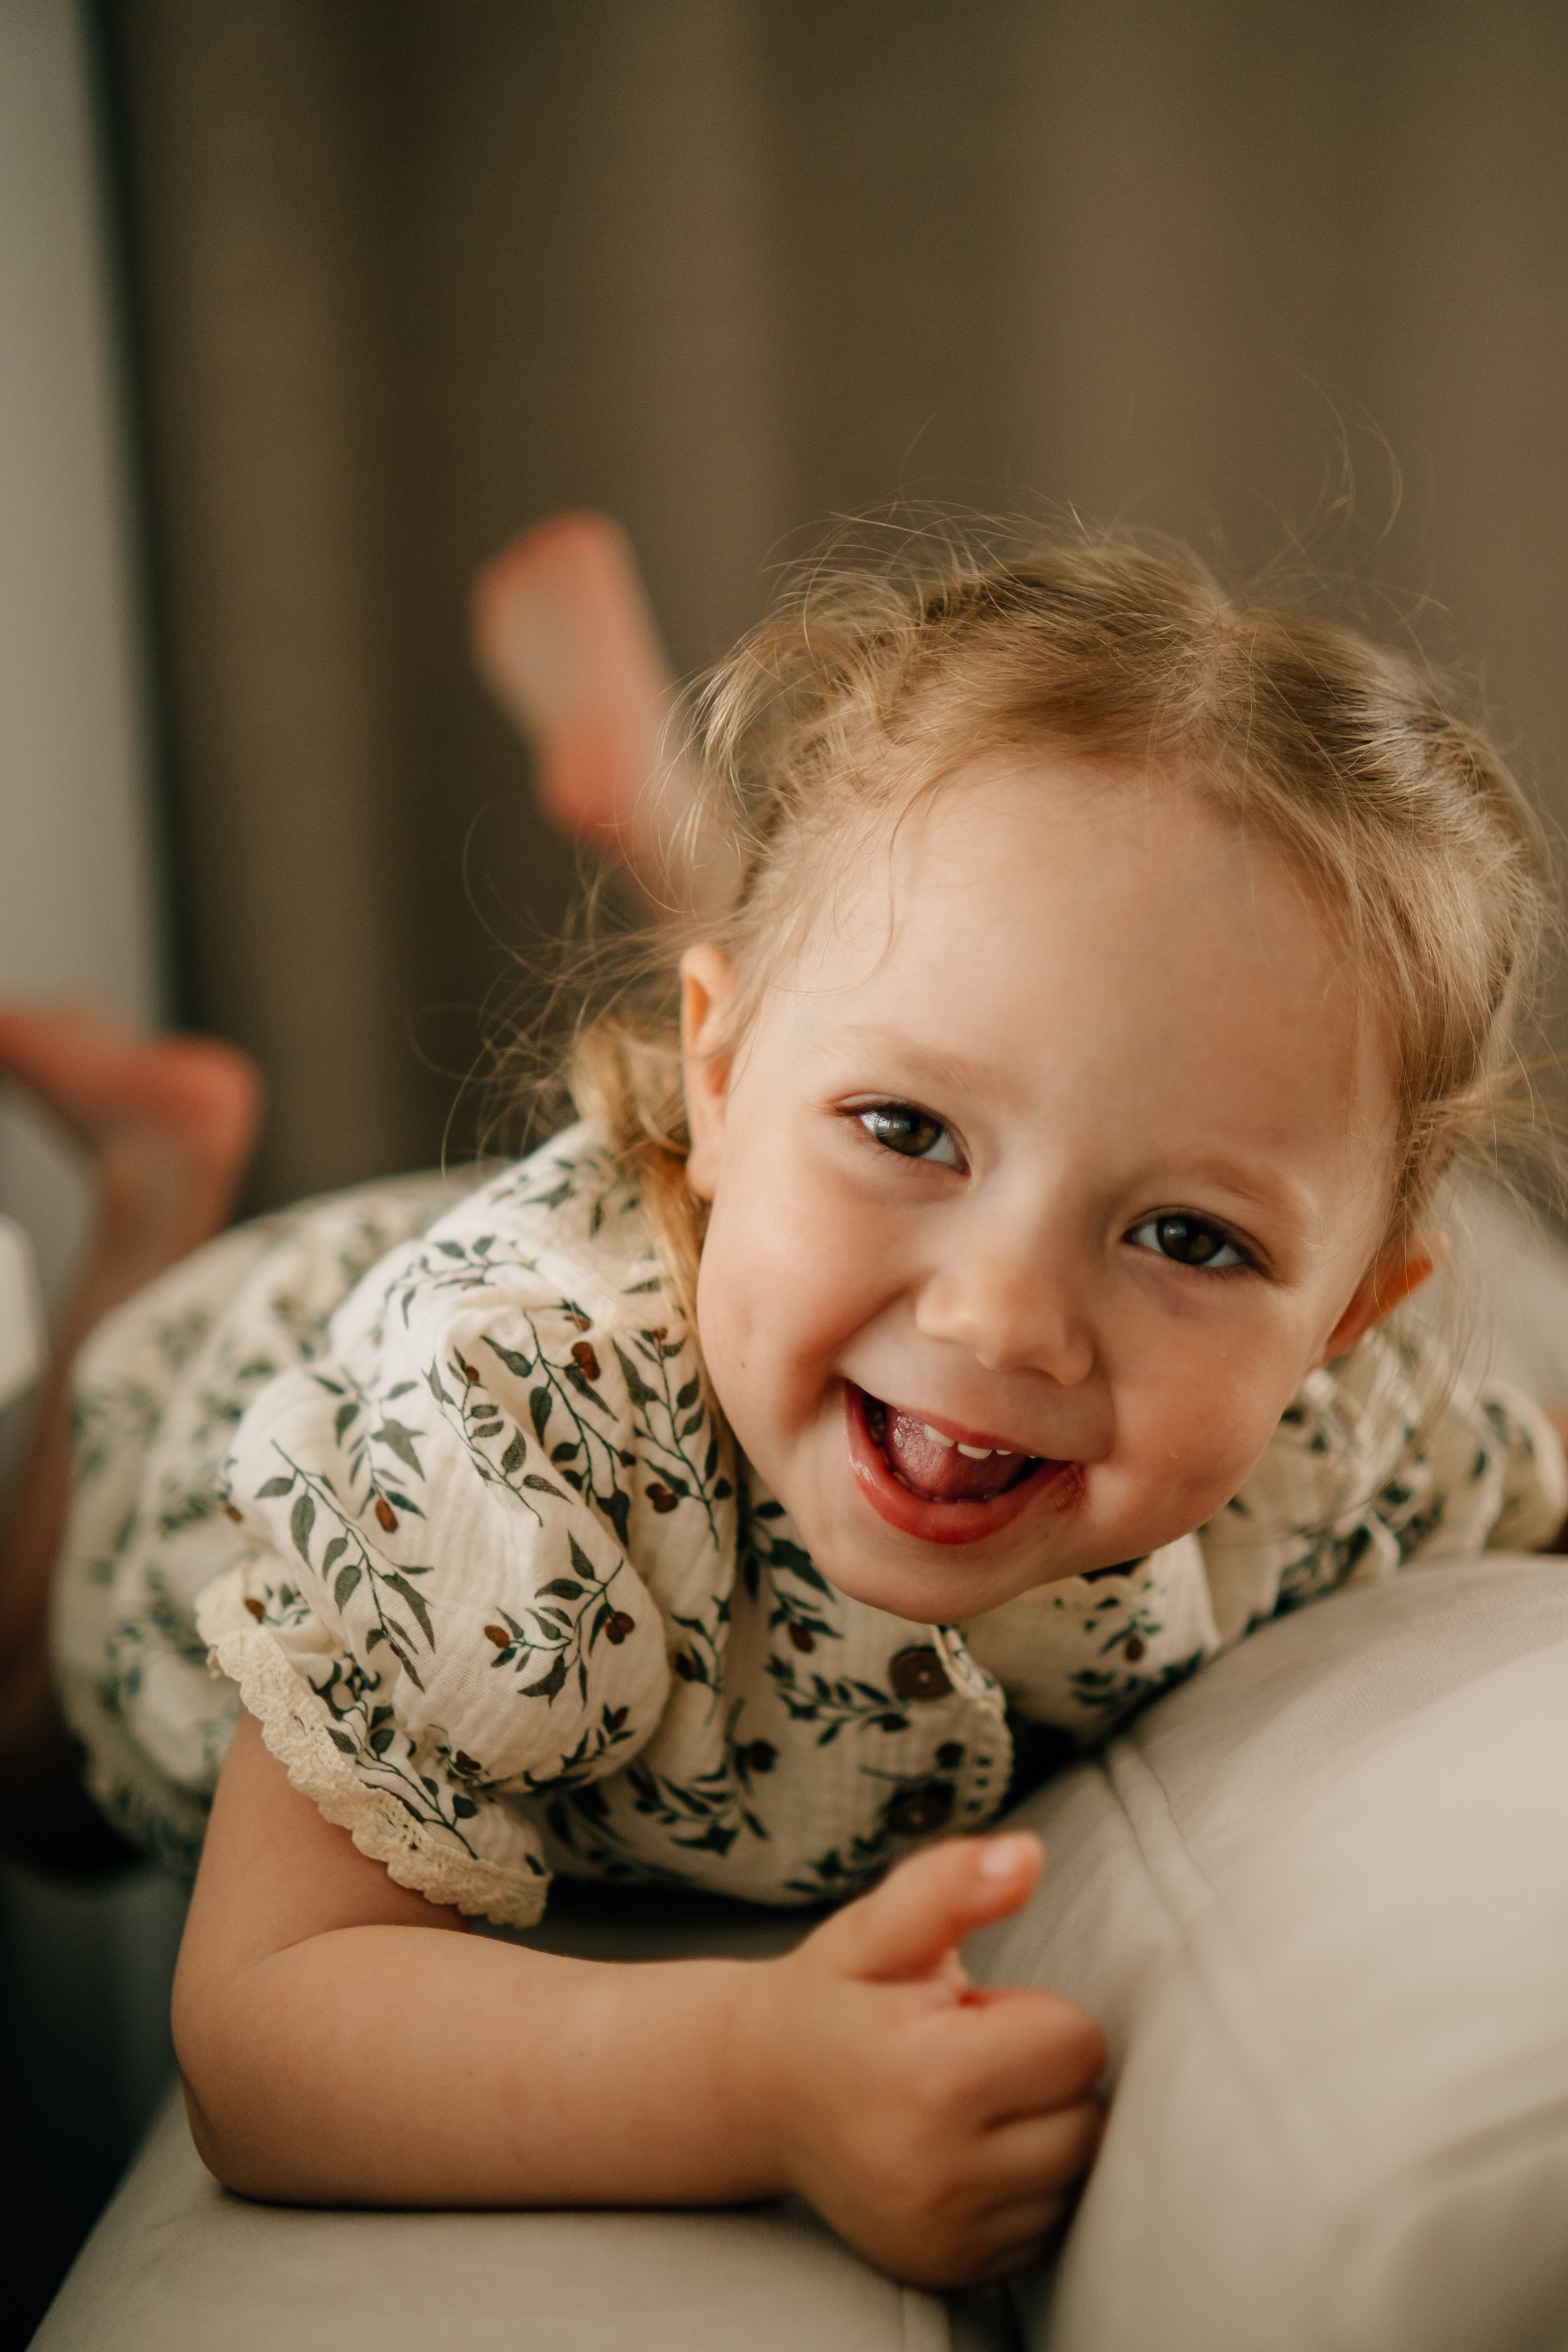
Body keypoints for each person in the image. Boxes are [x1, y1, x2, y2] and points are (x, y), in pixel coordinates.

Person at [4, 518, 1567, 2290]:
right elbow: (264, 2031)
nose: (1005, 1319)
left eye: (1188, 1236)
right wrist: (755, 2080)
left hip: (722, 1259)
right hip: (198, 1442)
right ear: (717, 1078)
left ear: (1352, 1321)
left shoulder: (1330, 1456)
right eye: (911, 1133)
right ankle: (150, 1202)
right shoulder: (512, 1430)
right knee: (30, 1786)